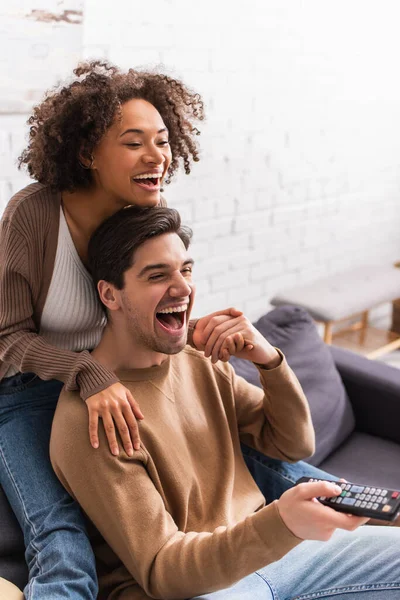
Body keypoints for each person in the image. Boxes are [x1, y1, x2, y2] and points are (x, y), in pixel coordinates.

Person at [50, 205, 400, 600]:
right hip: (199, 589)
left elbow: (293, 444)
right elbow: (162, 569)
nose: (183, 289)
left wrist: (270, 361)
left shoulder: (198, 362)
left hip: (278, 554)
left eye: (185, 270)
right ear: (110, 294)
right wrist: (281, 523)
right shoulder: (92, 414)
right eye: (158, 275)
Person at [0, 60, 209, 600]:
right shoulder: (34, 215)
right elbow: (6, 337)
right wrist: (86, 370)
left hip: (114, 379)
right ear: (88, 153)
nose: (156, 156)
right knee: (64, 545)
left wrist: (194, 339)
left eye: (162, 141)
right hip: (25, 392)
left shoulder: (146, 213)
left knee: (243, 447)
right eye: (134, 142)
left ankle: (362, 506)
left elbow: (154, 302)